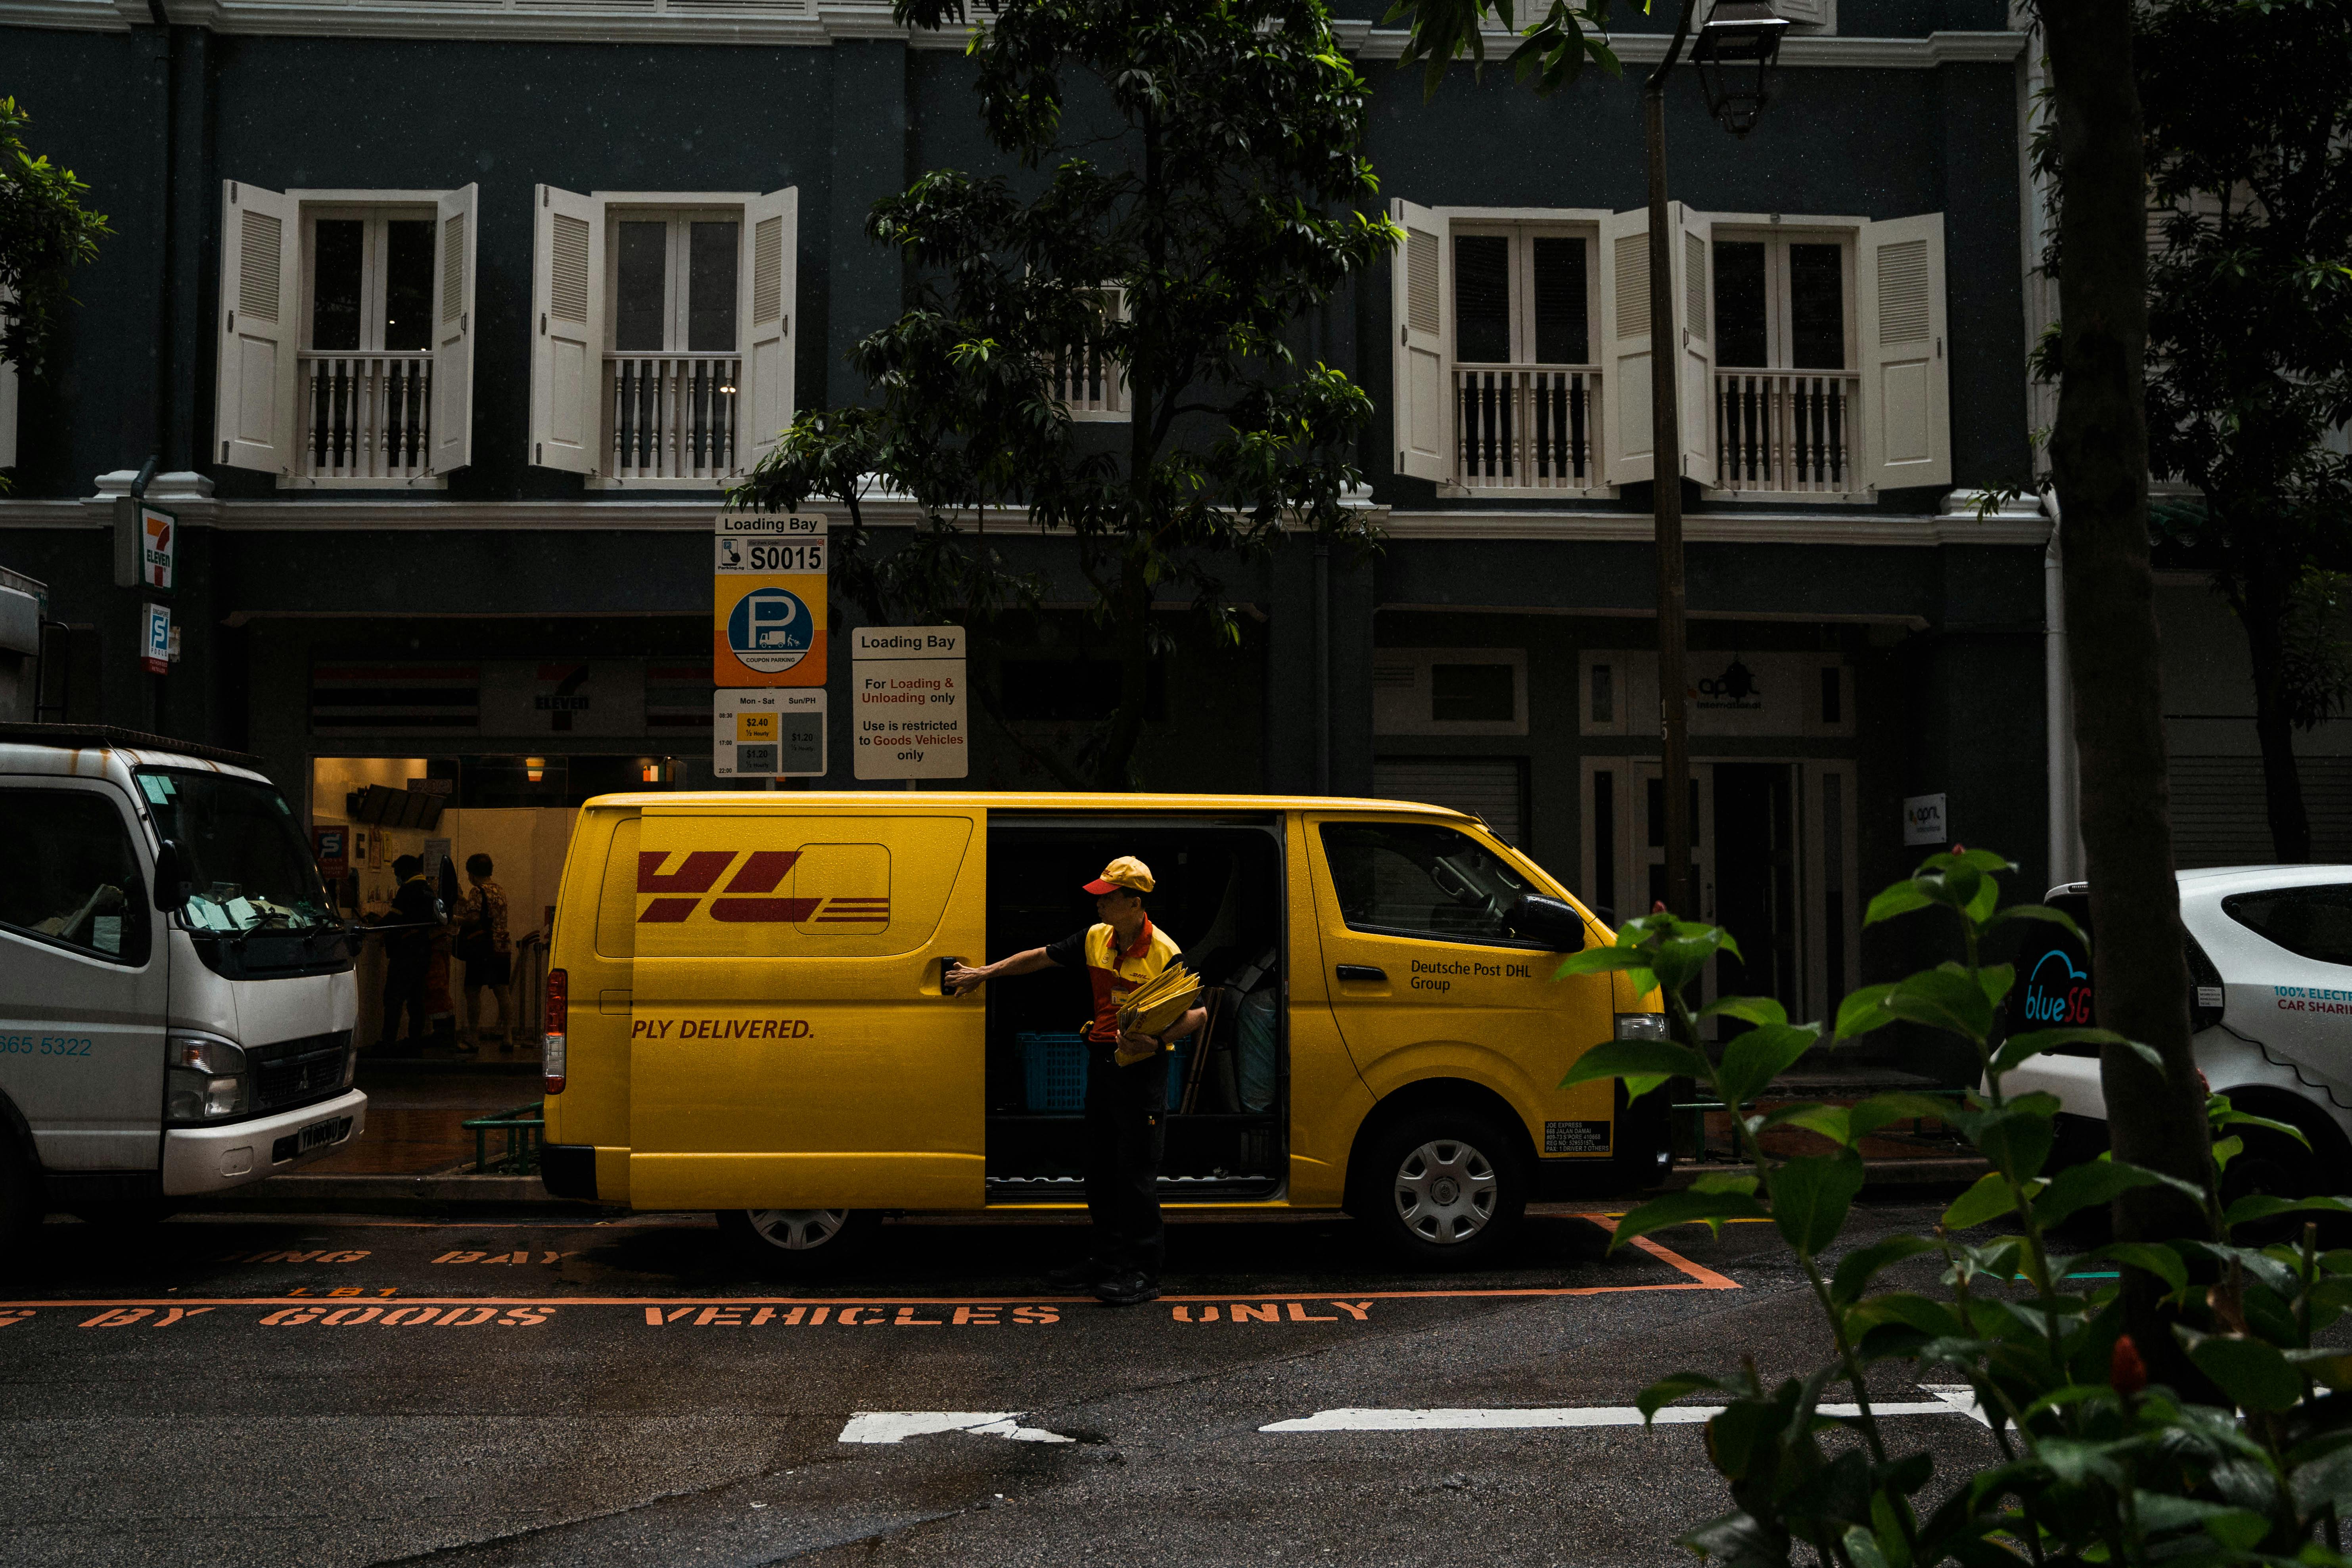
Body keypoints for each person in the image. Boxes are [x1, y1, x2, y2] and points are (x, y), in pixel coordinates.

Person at [946, 856, 1206, 1307]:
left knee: (1136, 1175)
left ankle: (1144, 1273)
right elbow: (1041, 958)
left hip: (1142, 1071)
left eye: (1108, 898)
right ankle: (1106, 1263)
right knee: (1100, 1171)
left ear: (1135, 903)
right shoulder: (1095, 939)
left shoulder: (1165, 952)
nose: (1099, 905)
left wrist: (1157, 1039)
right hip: (1103, 1063)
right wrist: (985, 973)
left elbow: (1199, 1013)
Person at [371, 854, 443, 1052]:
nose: (396, 876)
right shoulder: (429, 891)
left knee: (393, 997)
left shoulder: (408, 890)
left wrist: (375, 926)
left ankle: (388, 1042)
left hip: (405, 952)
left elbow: (395, 918)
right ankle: (415, 1041)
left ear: (405, 872)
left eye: (397, 873)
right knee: (416, 999)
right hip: (423, 951)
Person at [452, 852, 514, 1053]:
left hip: (482, 947)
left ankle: (473, 1037)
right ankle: (508, 1037)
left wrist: (455, 919)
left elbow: (473, 919)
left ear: (472, 873)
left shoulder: (477, 891)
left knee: (472, 991)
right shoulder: (499, 890)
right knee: (502, 992)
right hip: (502, 946)